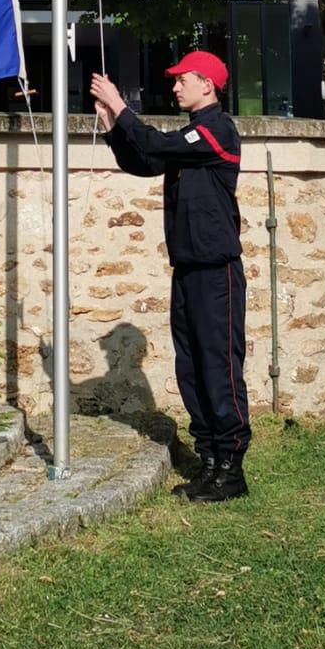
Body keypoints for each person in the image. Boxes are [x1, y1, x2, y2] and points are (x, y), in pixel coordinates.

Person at [90, 52, 251, 503]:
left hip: (216, 271)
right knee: (192, 368)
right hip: (188, 268)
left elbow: (157, 147)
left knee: (218, 367)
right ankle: (210, 462)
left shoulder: (217, 130)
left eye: (183, 80)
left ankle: (232, 468)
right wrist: (112, 129)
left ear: (208, 84)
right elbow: (145, 161)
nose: (176, 87)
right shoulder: (190, 137)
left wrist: (122, 107)